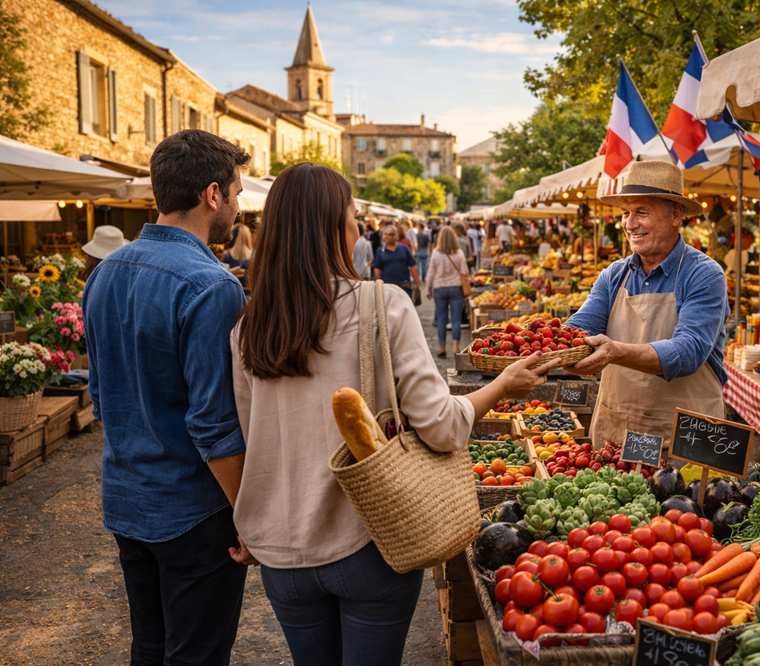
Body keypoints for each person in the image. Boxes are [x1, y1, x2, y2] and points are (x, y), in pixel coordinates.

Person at [228, 162, 560, 665]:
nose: (358, 227)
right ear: (335, 228)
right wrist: (502, 384)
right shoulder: (383, 305)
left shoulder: (248, 327)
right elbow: (443, 427)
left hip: (282, 550)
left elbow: (252, 438)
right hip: (370, 538)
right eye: (352, 215)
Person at [82, 129, 252, 665]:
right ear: (212, 194)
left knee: (150, 647)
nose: (239, 204)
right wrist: (249, 514)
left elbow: (101, 398)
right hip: (193, 512)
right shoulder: (212, 285)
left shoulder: (104, 273)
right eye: (238, 191)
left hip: (127, 498)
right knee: (195, 655)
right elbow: (214, 424)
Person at [565, 160, 729, 454]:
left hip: (686, 436)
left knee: (687, 501)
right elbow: (581, 328)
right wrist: (556, 347)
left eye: (642, 212)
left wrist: (615, 351)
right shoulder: (614, 275)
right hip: (619, 429)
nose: (629, 224)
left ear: (675, 214)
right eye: (626, 213)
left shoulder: (704, 274)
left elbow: (688, 351)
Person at [426, 226, 469, 359]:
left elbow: (431, 273)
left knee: (442, 318)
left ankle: (442, 347)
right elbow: (465, 271)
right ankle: (456, 346)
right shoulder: (459, 252)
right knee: (456, 319)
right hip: (456, 287)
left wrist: (428, 289)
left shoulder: (435, 253)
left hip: (439, 288)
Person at [372, 224, 419, 295]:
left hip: (404, 286)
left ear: (396, 236)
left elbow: (413, 265)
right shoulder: (380, 251)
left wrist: (416, 281)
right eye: (386, 234)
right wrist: (378, 284)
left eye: (391, 234)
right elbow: (377, 268)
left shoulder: (404, 249)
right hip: (387, 287)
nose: (388, 237)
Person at [223, 223, 254, 289]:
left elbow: (223, 274)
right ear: (248, 236)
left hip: (231, 289)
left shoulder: (227, 254)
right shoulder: (254, 254)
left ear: (233, 236)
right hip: (250, 290)